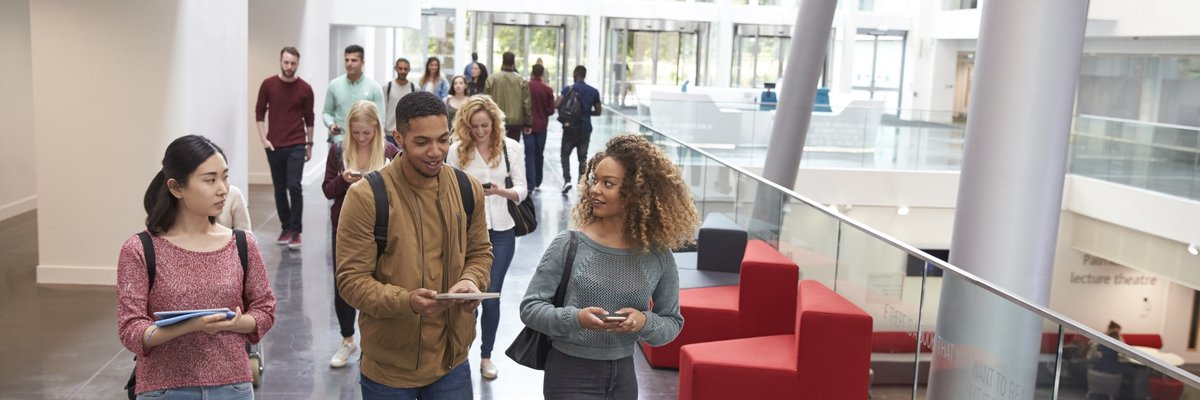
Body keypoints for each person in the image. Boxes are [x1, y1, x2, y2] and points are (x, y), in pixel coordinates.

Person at [336, 91, 493, 400]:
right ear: (399, 137)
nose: (436, 152)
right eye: (422, 142)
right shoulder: (366, 196)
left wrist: (470, 280)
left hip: (452, 361)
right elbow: (351, 282)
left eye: (443, 140)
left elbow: (480, 253)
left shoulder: (466, 188)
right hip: (389, 370)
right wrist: (407, 301)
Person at [520, 134, 698, 400]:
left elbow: (671, 323)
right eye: (594, 180)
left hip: (624, 376)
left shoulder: (657, 255)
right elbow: (530, 309)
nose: (594, 190)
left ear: (635, 193)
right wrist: (576, 318)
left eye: (608, 184)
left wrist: (643, 322)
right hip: (570, 374)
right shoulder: (569, 244)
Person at [117, 135, 277, 399]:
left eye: (225, 177)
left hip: (233, 387)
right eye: (210, 179)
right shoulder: (140, 249)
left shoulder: (242, 243)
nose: (223, 188)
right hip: (164, 389)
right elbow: (131, 330)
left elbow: (265, 311)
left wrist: (234, 324)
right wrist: (192, 325)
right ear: (176, 188)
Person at [445, 96, 527, 381]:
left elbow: (522, 190)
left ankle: (486, 356)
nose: (480, 131)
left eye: (485, 125)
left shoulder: (511, 148)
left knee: (490, 297)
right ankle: (460, 354)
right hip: (467, 231)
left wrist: (498, 191)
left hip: (503, 231)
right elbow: (448, 189)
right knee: (467, 296)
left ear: (494, 122)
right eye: (474, 126)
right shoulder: (456, 150)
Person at [322, 101, 401, 369]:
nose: (361, 138)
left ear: (377, 130)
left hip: (383, 226)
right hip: (345, 227)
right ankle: (347, 339)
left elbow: (403, 190)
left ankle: (374, 341)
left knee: (380, 282)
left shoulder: (390, 151)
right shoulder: (338, 150)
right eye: (356, 133)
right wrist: (344, 180)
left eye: (366, 133)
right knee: (344, 283)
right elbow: (327, 190)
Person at [255, 46, 314, 249]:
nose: (289, 66)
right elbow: (259, 113)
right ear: (280, 61)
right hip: (274, 145)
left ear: (298, 64)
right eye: (286, 62)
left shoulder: (305, 88)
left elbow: (310, 118)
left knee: (294, 186)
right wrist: (264, 139)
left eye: (293, 63)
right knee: (279, 189)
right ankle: (286, 227)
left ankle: (296, 231)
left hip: (297, 143)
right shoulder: (268, 85)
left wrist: (309, 144)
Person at [323, 44, 385, 144]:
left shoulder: (374, 87)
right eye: (346, 60)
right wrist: (331, 124)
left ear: (362, 62)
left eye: (354, 60)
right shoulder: (334, 85)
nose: (349, 63)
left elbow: (380, 118)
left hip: (366, 143)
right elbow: (326, 113)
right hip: (340, 141)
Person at [557, 65, 602, 195]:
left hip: (569, 127)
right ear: (584, 75)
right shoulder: (593, 91)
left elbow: (557, 104)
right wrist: (586, 113)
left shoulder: (568, 89)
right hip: (585, 128)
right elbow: (598, 112)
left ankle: (567, 180)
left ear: (575, 75)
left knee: (565, 154)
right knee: (582, 157)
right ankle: (580, 183)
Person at [485, 51, 532, 142]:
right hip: (516, 122)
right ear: (513, 63)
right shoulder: (521, 81)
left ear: (502, 62)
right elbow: (526, 103)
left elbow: (486, 100)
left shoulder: (491, 79)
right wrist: (528, 123)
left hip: (496, 119)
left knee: (496, 148)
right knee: (512, 151)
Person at [526, 64, 556, 191]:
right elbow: (551, 110)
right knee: (539, 153)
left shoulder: (526, 87)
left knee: (529, 154)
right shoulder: (547, 89)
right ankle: (538, 181)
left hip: (528, 126)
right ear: (542, 74)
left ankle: (530, 183)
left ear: (532, 73)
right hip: (542, 126)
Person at [384, 57, 418, 146]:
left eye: (405, 69)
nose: (403, 71)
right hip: (389, 133)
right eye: (400, 68)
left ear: (409, 70)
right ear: (395, 69)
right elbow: (383, 109)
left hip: (408, 132)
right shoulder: (387, 87)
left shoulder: (414, 88)